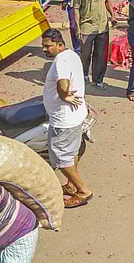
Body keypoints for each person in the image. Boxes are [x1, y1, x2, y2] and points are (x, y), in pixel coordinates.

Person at [40, 28, 93, 208]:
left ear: (60, 45)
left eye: (48, 46)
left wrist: (64, 96)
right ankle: (71, 185)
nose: (45, 50)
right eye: (43, 46)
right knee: (71, 153)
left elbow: (63, 83)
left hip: (64, 120)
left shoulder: (61, 61)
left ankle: (82, 190)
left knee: (61, 159)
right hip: (76, 115)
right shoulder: (71, 55)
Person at [72, 0, 116, 90]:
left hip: (102, 26)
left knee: (101, 54)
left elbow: (107, 1)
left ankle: (98, 80)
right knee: (86, 53)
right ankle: (84, 74)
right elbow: (75, 9)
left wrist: (112, 16)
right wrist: (78, 28)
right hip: (87, 26)